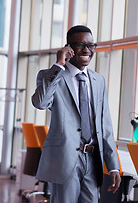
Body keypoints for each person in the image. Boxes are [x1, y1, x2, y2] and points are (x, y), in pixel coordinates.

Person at [31, 25, 121, 202]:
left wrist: (113, 167)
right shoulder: (51, 75)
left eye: (91, 45)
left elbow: (105, 125)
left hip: (93, 159)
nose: (87, 50)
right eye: (80, 45)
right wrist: (58, 65)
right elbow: (40, 103)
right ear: (69, 48)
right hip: (65, 159)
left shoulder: (98, 80)